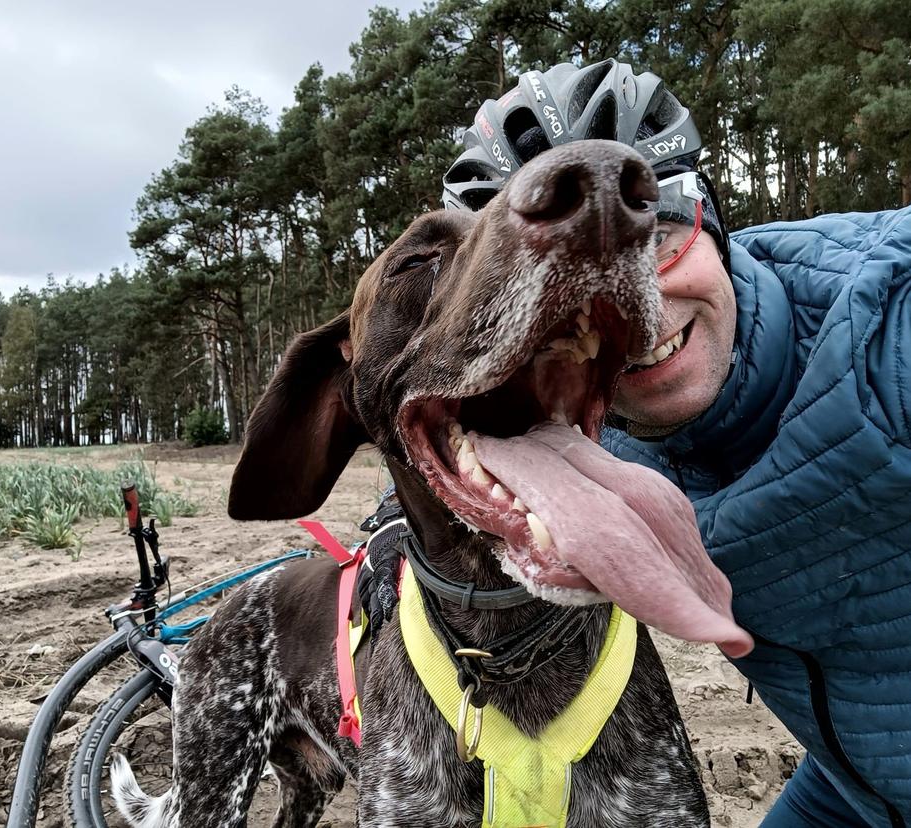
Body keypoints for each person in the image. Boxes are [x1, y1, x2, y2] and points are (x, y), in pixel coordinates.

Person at [363, 59, 911, 827]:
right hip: (854, 791)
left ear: (713, 224)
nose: (636, 313)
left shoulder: (891, 328)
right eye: (551, 294)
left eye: (651, 231)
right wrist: (395, 522)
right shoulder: (596, 455)